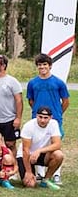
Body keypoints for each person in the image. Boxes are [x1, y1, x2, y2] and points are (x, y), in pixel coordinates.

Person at [26, 53, 69, 184]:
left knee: (55, 147)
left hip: (55, 119)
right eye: (39, 65)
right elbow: (31, 101)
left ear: (50, 66)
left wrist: (57, 114)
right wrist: (38, 114)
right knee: (37, 144)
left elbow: (66, 101)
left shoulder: (58, 82)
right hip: (38, 121)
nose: (42, 67)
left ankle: (56, 174)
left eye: (44, 64)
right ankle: (39, 173)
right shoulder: (33, 83)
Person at [17, 106, 64, 190]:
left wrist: (39, 151)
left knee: (59, 155)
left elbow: (57, 144)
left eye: (46, 118)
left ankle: (46, 180)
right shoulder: (29, 126)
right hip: (26, 156)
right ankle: (30, 174)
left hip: (42, 154)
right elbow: (25, 150)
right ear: (36, 116)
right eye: (40, 117)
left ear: (51, 117)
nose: (42, 120)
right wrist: (28, 172)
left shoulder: (54, 124)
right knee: (30, 184)